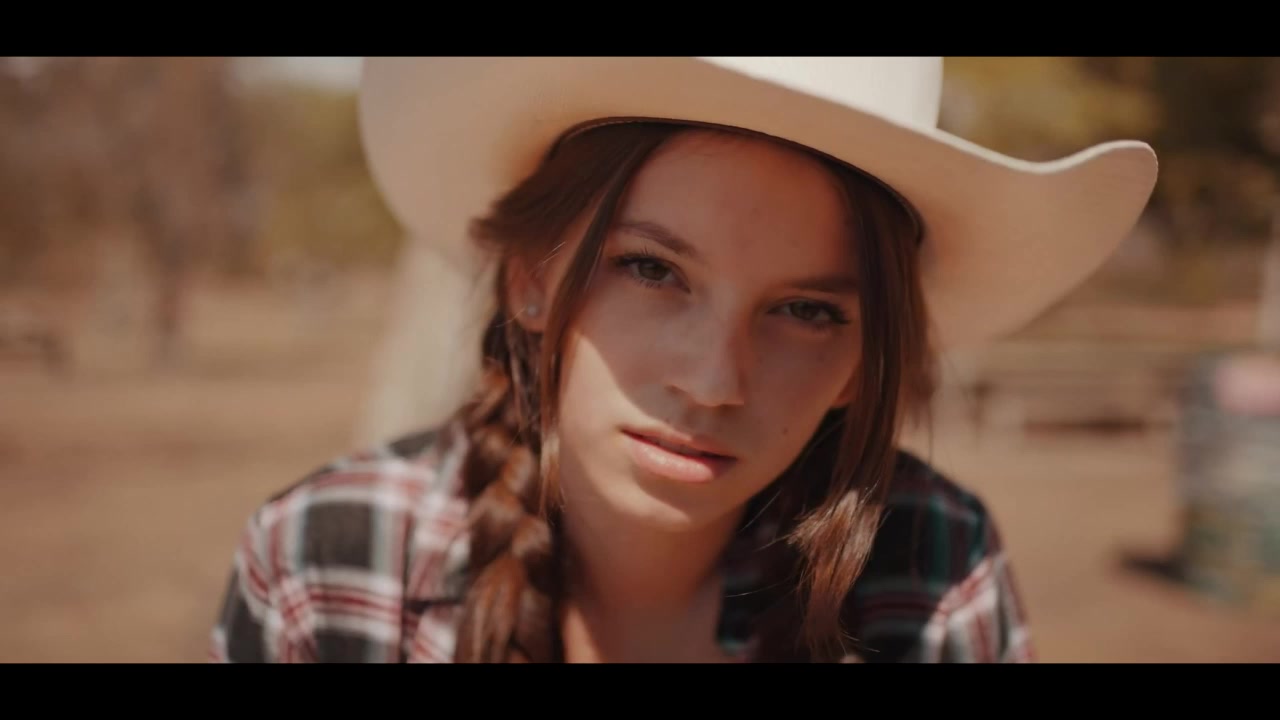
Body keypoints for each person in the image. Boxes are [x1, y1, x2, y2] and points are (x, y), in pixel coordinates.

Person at [208, 57, 1158, 663]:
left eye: (805, 311)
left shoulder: (934, 570)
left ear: (863, 364)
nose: (713, 382)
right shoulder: (327, 564)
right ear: (531, 278)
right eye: (653, 269)